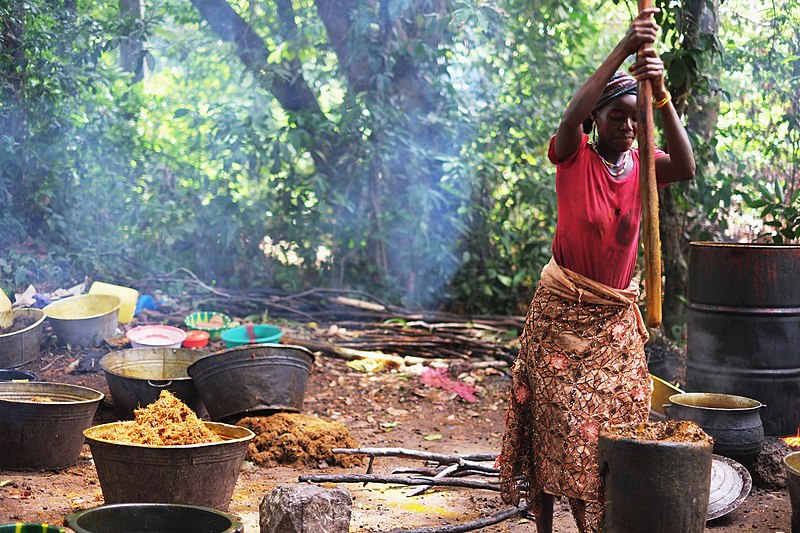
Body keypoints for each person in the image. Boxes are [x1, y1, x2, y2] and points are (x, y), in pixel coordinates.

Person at [497, 7, 695, 533]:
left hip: (613, 322)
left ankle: (598, 523)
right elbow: (568, 116)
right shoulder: (573, 155)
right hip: (560, 315)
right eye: (617, 116)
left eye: (635, 116)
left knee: (617, 424)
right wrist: (624, 50)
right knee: (549, 425)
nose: (628, 126)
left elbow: (689, 164)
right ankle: (543, 525)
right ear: (596, 121)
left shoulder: (645, 166)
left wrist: (662, 94)